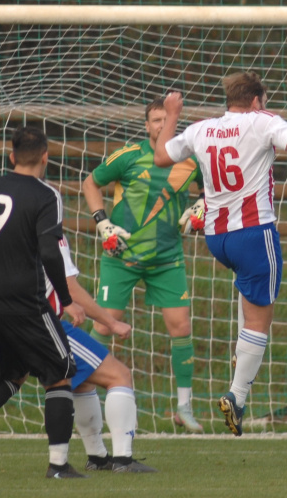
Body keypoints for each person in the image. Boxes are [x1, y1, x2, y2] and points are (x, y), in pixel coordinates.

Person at [151, 71, 287, 435]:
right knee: (259, 321)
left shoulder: (203, 128)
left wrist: (172, 113)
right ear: (255, 100)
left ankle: (241, 357)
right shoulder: (261, 121)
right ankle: (237, 394)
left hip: (217, 238)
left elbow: (160, 157)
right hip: (253, 234)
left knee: (248, 301)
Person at [0, 127, 84, 479]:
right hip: (25, 302)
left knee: (8, 376)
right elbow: (50, 251)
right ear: (45, 157)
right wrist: (65, 300)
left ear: (11, 157)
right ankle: (58, 465)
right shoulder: (46, 196)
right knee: (60, 372)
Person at [81, 97, 206, 432]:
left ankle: (184, 408)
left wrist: (201, 209)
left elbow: (214, 192)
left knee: (181, 327)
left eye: (166, 119)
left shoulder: (191, 161)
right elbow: (90, 183)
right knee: (106, 325)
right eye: (154, 120)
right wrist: (102, 222)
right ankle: (85, 397)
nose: (160, 125)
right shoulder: (129, 156)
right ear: (146, 125)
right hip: (121, 258)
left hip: (167, 259)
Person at [39, 236, 159, 473]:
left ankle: (98, 457)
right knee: (119, 376)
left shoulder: (21, 224)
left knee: (81, 383)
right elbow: (69, 287)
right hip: (47, 325)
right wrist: (111, 322)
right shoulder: (50, 229)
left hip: (15, 323)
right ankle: (124, 460)